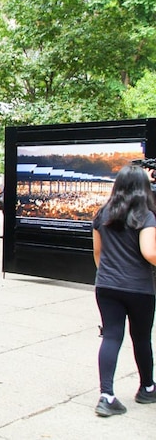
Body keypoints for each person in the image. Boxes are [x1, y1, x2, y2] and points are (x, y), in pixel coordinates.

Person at [91, 165, 156, 417]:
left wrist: (108, 276)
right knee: (141, 338)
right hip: (139, 288)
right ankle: (147, 388)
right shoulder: (146, 216)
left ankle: (106, 396)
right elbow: (149, 252)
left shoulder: (103, 213)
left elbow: (98, 253)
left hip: (106, 286)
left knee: (111, 337)